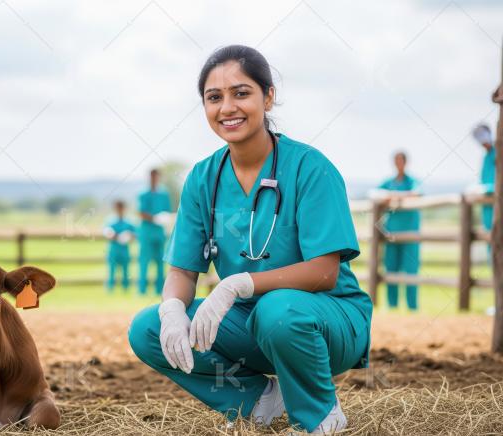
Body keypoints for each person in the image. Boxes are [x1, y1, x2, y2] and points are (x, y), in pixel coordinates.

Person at [128, 45, 372, 434]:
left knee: (278, 311)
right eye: (214, 97)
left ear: (268, 96)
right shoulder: (202, 178)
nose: (228, 107)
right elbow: (183, 270)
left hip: (325, 320)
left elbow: (326, 273)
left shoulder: (310, 168)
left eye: (241, 93)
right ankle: (259, 398)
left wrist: (239, 284)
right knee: (148, 328)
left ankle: (320, 416)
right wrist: (173, 307)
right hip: (250, 321)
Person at [372, 152, 422, 310]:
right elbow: (374, 193)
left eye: (401, 161)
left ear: (406, 163)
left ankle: (412, 307)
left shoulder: (412, 181)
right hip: (391, 235)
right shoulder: (388, 182)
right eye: (396, 161)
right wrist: (397, 196)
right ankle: (392, 306)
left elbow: (417, 194)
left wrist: (393, 197)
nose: (398, 163)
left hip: (410, 236)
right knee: (390, 269)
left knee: (411, 271)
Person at [137, 169, 171, 295]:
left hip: (160, 233)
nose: (154, 179)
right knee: (144, 261)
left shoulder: (164, 194)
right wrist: (154, 218)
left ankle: (160, 289)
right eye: (152, 177)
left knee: (160, 261)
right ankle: (142, 289)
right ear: (149, 177)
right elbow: (141, 212)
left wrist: (164, 218)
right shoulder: (143, 194)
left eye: (156, 177)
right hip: (146, 232)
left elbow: (167, 210)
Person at [103, 200, 136, 292]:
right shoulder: (110, 221)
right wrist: (114, 236)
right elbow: (107, 233)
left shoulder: (129, 222)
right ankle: (110, 289)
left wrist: (129, 237)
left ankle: (125, 288)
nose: (120, 210)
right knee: (112, 270)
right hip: (113, 249)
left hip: (124, 249)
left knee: (126, 271)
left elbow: (134, 235)